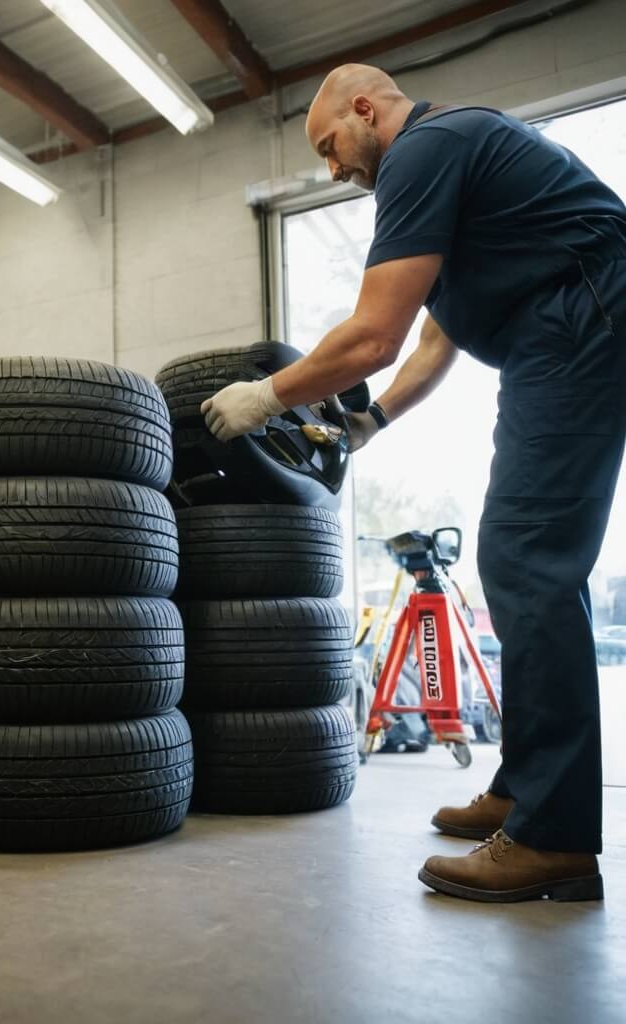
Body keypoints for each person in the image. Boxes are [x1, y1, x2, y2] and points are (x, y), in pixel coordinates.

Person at [201, 63, 626, 903]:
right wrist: (370, 423)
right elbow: (435, 338)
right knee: (521, 562)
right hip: (566, 329)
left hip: (586, 320)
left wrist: (266, 394)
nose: (332, 168)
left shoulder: (423, 151)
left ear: (367, 109)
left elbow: (373, 338)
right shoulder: (452, 163)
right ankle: (523, 792)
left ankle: (554, 839)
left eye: (329, 145)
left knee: (527, 561)